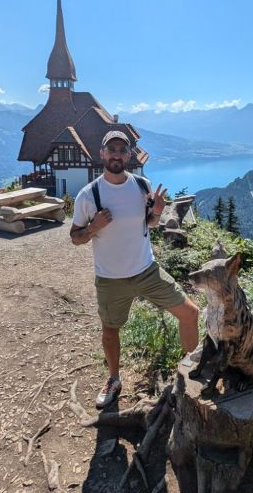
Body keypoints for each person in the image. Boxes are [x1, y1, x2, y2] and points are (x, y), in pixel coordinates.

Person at [70, 130, 199, 408]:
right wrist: (93, 227)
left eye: (122, 150)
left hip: (146, 270)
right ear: (102, 153)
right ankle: (113, 379)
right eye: (111, 149)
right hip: (110, 278)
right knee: (110, 330)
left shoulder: (142, 185)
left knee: (190, 313)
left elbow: (149, 223)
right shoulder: (88, 195)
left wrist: (158, 211)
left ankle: (191, 374)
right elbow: (75, 238)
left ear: (129, 155)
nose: (116, 155)